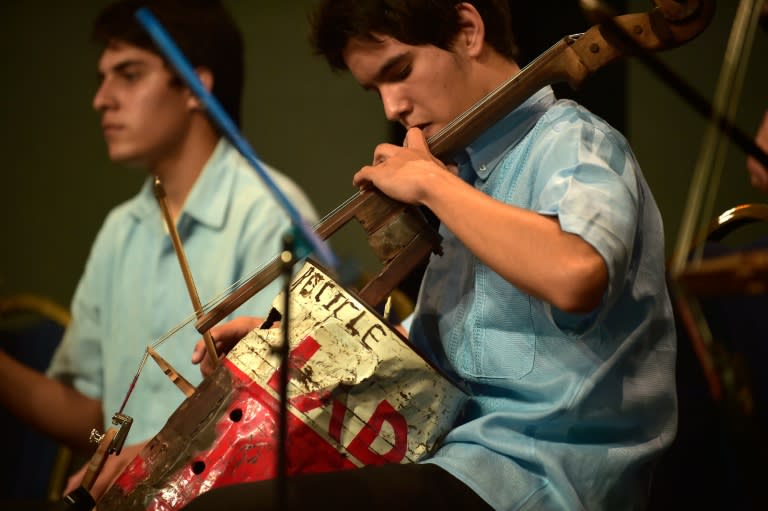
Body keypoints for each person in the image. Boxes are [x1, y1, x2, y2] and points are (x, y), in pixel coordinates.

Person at [185, 1, 676, 509]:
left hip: (540, 481)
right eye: (375, 89)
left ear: (467, 31)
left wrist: (430, 183)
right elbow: (427, 358)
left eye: (399, 72)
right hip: (456, 464)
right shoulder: (462, 179)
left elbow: (577, 274)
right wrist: (302, 350)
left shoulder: (572, 139)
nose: (391, 108)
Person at [0, 0, 317, 501]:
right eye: (102, 78)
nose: (100, 99)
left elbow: (275, 417)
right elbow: (91, 419)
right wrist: (109, 452)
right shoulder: (120, 230)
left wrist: (148, 458)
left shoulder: (269, 215)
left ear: (196, 86)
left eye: (128, 75)